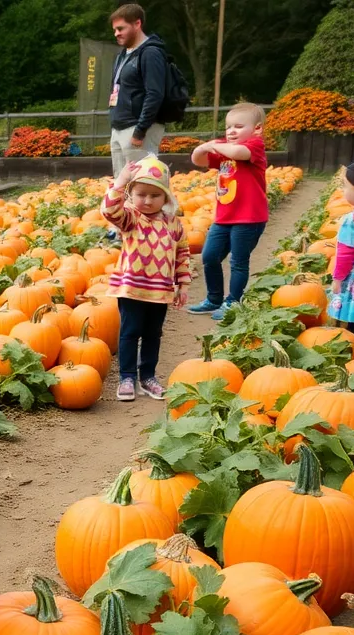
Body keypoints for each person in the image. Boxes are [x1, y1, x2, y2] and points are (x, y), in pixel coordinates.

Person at [102, 156, 192, 401]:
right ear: (132, 194)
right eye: (141, 194)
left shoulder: (174, 224)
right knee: (130, 333)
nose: (148, 200)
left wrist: (182, 284)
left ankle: (148, 376)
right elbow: (110, 210)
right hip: (131, 289)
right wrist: (120, 183)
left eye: (155, 195)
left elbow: (182, 254)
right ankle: (127, 377)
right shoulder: (131, 218)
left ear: (166, 197)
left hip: (160, 291)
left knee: (153, 334)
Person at [188, 103, 269, 320]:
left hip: (249, 218)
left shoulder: (255, 146)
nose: (231, 131)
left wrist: (213, 144)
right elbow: (198, 160)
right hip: (224, 217)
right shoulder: (224, 150)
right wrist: (203, 148)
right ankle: (214, 299)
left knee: (238, 262)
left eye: (239, 126)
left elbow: (237, 152)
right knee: (210, 256)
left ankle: (233, 302)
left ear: (257, 129)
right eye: (228, 127)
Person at [108, 4, 168, 176]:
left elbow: (155, 94)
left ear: (137, 24)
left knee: (143, 182)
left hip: (137, 128)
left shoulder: (150, 53)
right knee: (122, 184)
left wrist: (140, 130)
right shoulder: (123, 54)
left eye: (120, 28)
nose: (116, 33)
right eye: (114, 30)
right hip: (120, 126)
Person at [327, 162, 354, 336]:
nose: (342, 191)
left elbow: (345, 254)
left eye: (345, 186)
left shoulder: (353, 219)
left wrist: (337, 280)